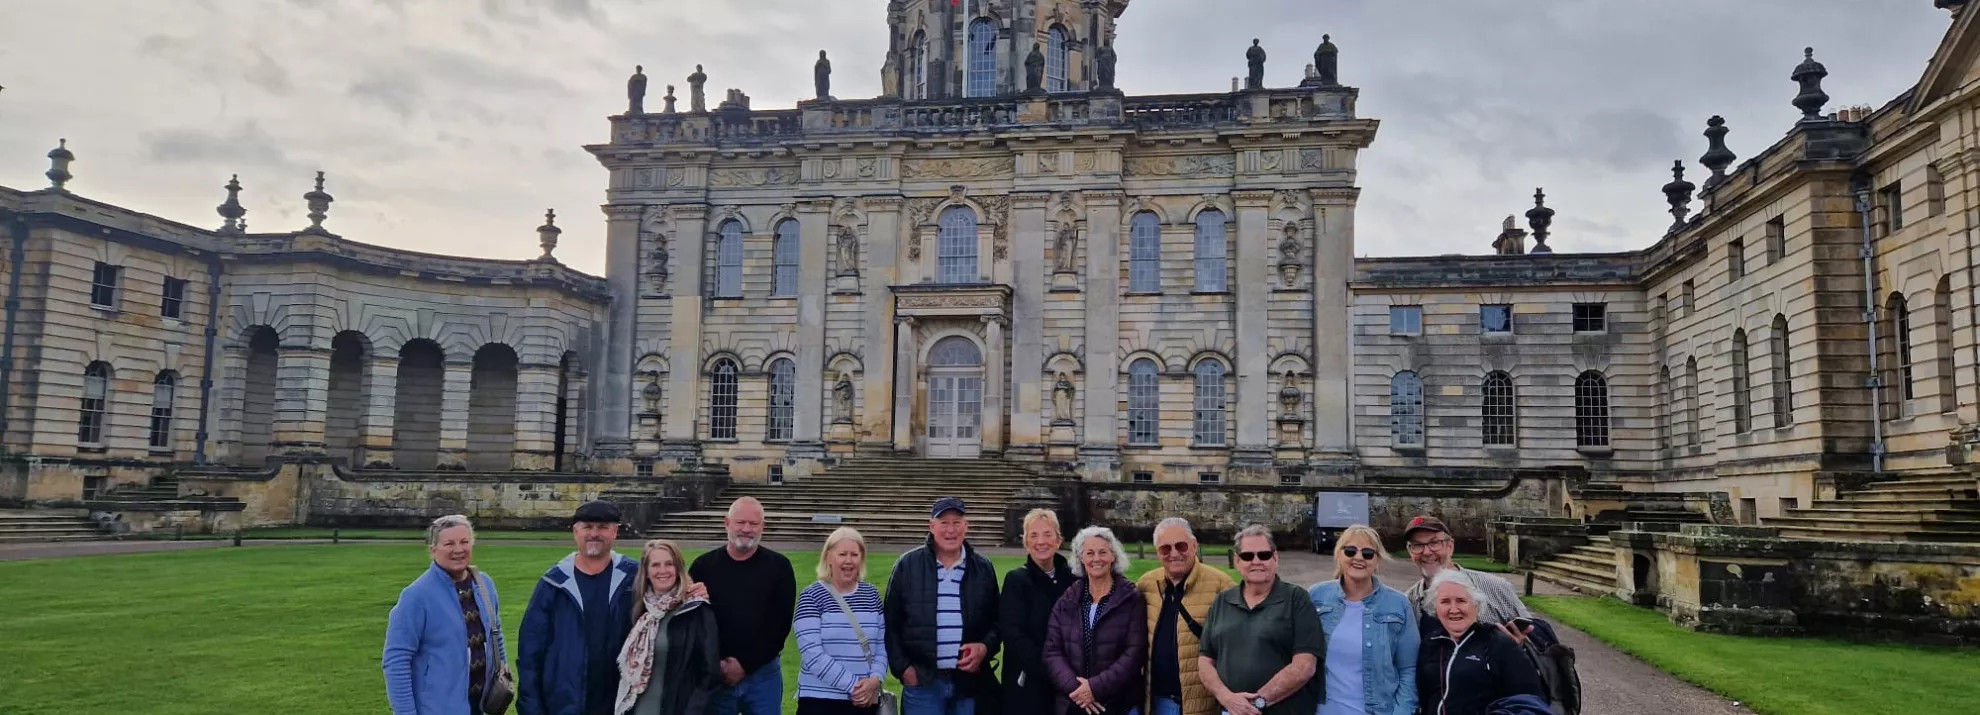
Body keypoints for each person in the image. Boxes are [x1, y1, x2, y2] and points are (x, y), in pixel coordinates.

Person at [522, 500, 643, 715]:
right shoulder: (554, 583)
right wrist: (531, 708)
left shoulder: (635, 577)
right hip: (565, 702)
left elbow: (670, 600)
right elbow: (530, 652)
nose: (594, 534)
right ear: (575, 532)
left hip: (621, 702)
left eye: (603, 527)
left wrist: (691, 592)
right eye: (587, 527)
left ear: (615, 532)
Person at [884, 497, 1002, 715]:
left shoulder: (983, 568)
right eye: (944, 523)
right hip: (922, 683)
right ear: (931, 526)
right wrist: (904, 669)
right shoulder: (907, 565)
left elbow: (997, 622)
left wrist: (984, 648)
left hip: (968, 684)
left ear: (966, 526)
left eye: (957, 522)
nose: (951, 530)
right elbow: (891, 623)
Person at [384, 514, 509, 715]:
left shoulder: (485, 584)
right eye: (449, 544)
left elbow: (496, 635)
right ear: (433, 549)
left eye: (464, 542)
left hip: (481, 706)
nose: (458, 550)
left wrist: (503, 678)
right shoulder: (416, 596)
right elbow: (396, 660)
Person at [1196, 525, 1322, 715]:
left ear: (1275, 558)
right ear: (1237, 561)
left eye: (1264, 555)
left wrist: (1256, 703)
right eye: (1247, 556)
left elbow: (1305, 665)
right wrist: (1226, 697)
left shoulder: (1296, 599)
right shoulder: (1223, 601)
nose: (1256, 562)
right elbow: (1205, 660)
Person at [690, 497, 798, 715]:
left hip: (763, 676)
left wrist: (745, 664)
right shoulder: (703, 567)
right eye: (740, 522)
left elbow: (780, 625)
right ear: (727, 523)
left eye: (753, 523)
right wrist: (716, 664)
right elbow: (693, 624)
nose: (747, 529)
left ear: (762, 526)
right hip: (716, 675)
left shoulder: (779, 567)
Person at [1306, 525, 1417, 715]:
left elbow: (1409, 669)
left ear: (1377, 561)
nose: (1358, 557)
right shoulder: (1316, 596)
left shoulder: (1398, 604)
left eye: (1367, 553)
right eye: (1350, 551)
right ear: (1338, 555)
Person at [1135, 518, 1235, 715]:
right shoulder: (1146, 584)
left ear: (1194, 545)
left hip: (1203, 706)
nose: (1174, 554)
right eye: (1165, 548)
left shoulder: (1222, 586)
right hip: (1156, 703)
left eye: (1181, 546)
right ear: (1157, 552)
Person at [1043, 526, 1146, 715]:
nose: (1096, 559)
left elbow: (1134, 653)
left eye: (1102, 552)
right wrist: (1077, 689)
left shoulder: (1131, 598)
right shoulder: (1067, 600)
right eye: (1089, 553)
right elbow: (1052, 651)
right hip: (1076, 704)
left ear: (1113, 556)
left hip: (1119, 704)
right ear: (1081, 558)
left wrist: (1095, 688)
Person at [1414, 571, 1546, 715]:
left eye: (1461, 601)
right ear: (1435, 608)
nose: (1454, 609)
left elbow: (1530, 703)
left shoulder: (1499, 643)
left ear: (1476, 605)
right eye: (1445, 601)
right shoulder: (1430, 644)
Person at [614, 539, 722, 715]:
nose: (662, 571)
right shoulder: (638, 611)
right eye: (655, 565)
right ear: (646, 572)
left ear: (678, 569)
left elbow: (710, 675)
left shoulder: (696, 610)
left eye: (669, 564)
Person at [794, 526, 889, 715]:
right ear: (828, 557)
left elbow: (882, 644)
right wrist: (854, 686)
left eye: (854, 554)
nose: (848, 561)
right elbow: (812, 654)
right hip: (820, 701)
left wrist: (875, 679)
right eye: (842, 554)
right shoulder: (811, 596)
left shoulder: (871, 595)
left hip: (865, 701)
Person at [1399, 517, 1531, 639]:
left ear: (1450, 546)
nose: (1427, 552)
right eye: (1417, 545)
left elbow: (1532, 631)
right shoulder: (1407, 603)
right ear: (1410, 551)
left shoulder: (1495, 587)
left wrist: (1519, 646)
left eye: (1434, 543)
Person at [998, 508, 1074, 715]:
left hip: (1069, 684)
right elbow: (1013, 635)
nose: (1041, 541)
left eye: (1048, 534)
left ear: (1058, 541)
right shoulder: (1016, 581)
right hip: (1028, 684)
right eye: (1034, 535)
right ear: (1026, 542)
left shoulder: (1074, 579)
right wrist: (1053, 669)